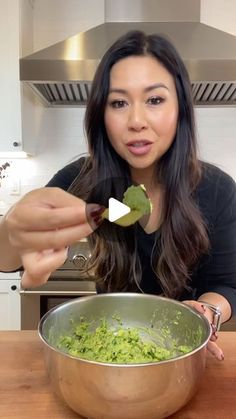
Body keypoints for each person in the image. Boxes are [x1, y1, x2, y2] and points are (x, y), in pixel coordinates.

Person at [0, 30, 235, 361]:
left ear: (180, 108)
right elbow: (6, 259)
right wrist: (12, 230)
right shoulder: (81, 180)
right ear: (102, 115)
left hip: (185, 353)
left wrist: (207, 310)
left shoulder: (219, 189)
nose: (136, 121)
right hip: (106, 353)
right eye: (119, 102)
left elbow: (228, 286)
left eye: (154, 100)